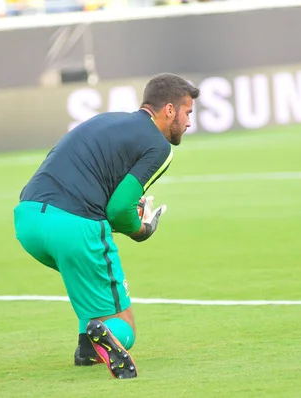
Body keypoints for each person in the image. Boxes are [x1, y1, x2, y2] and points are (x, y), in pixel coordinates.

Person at [13, 73, 200, 379]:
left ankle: (87, 349)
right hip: (73, 228)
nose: (189, 122)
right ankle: (106, 337)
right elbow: (117, 210)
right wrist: (140, 229)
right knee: (125, 324)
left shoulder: (107, 120)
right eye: (187, 113)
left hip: (28, 219)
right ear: (169, 110)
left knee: (86, 276)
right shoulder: (160, 146)